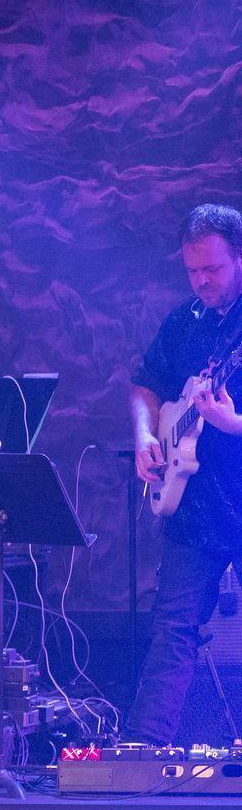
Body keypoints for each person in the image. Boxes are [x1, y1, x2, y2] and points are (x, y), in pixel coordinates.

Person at [129, 203, 242, 746]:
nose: (201, 281)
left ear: (239, 258)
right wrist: (146, 435)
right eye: (193, 270)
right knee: (171, 632)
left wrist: (234, 423)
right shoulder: (184, 321)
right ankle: (141, 757)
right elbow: (145, 385)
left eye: (213, 270)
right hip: (194, 507)